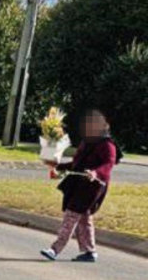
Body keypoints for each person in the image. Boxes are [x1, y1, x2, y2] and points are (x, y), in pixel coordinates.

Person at [41, 109, 120, 263]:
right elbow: (76, 164)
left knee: (71, 215)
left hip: (93, 186)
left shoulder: (108, 145)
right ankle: (90, 252)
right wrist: (58, 165)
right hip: (78, 183)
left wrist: (96, 173)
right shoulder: (86, 142)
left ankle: (55, 249)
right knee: (84, 218)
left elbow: (108, 164)